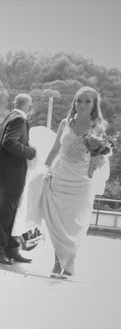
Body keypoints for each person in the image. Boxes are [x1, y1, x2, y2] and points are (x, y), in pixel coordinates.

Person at [40, 86, 111, 279]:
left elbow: (101, 156)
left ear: (94, 104)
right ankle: (57, 263)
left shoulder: (97, 126)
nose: (82, 104)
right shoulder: (65, 123)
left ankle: (69, 263)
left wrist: (94, 165)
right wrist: (46, 169)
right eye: (79, 100)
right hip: (60, 177)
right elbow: (55, 150)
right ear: (74, 102)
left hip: (81, 182)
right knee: (57, 224)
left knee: (73, 225)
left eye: (87, 101)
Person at [0, 93, 37, 265]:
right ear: (29, 107)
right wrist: (31, 152)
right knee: (5, 214)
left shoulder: (10, 117)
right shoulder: (18, 120)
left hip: (7, 175)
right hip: (11, 176)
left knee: (11, 213)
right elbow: (9, 142)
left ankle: (11, 248)